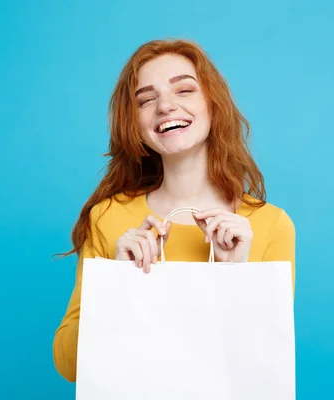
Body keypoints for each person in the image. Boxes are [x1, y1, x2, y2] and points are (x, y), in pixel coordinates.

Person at [52, 39, 295, 382]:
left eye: (184, 90)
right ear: (134, 122)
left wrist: (235, 279)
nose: (165, 105)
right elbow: (68, 364)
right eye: (147, 99)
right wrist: (119, 286)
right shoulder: (108, 218)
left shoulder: (268, 225)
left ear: (213, 104)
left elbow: (267, 364)